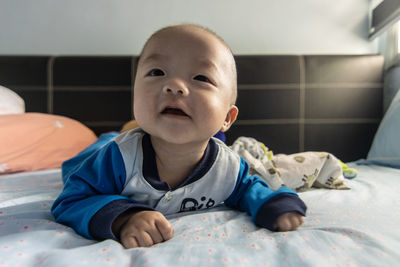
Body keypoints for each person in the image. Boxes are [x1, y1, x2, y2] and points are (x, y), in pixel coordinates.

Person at [51, 24, 307, 249]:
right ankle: (117, 133)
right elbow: (73, 199)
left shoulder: (227, 168)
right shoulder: (117, 157)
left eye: (201, 77)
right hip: (96, 153)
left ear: (227, 118)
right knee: (98, 148)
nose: (174, 85)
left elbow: (252, 187)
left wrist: (275, 204)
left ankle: (126, 129)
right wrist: (123, 217)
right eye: (157, 72)